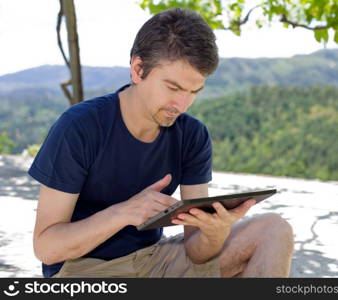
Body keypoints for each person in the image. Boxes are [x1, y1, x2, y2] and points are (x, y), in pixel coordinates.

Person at [28, 7, 294, 278]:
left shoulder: (192, 136)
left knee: (273, 230)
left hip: (153, 261)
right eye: (173, 88)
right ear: (138, 69)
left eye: (194, 92)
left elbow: (196, 253)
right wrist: (123, 213)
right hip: (84, 269)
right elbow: (46, 247)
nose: (182, 104)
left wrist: (215, 232)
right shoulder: (79, 127)